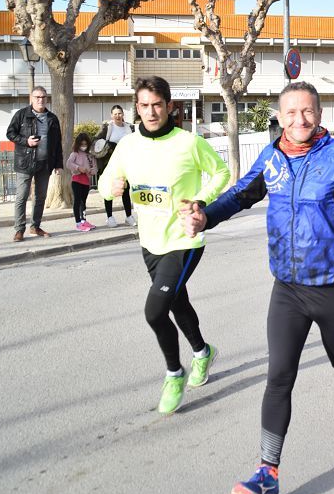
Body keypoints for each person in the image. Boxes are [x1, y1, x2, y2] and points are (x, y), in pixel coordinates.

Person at [181, 80, 334, 494]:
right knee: (279, 375)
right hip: (287, 288)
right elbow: (240, 195)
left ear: (320, 115)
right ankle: (268, 471)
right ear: (279, 116)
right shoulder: (272, 157)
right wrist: (206, 216)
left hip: (332, 284)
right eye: (291, 112)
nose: (300, 120)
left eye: (308, 112)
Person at [97, 76, 230, 416]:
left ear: (169, 106)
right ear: (137, 108)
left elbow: (221, 173)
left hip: (184, 239)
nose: (151, 111)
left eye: (157, 104)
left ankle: (174, 373)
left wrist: (200, 200)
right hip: (150, 241)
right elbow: (105, 181)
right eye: (144, 105)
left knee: (155, 310)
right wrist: (111, 187)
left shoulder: (188, 143)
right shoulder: (127, 145)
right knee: (176, 302)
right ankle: (203, 352)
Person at [6, 86, 63, 242]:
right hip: (24, 162)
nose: (41, 100)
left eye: (43, 97)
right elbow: (10, 133)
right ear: (31, 98)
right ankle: (19, 230)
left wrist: (58, 164)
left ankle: (35, 226)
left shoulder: (52, 118)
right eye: (37, 97)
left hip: (45, 164)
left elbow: (57, 143)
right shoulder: (21, 115)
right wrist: (26, 141)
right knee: (22, 196)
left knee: (40, 197)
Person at [94, 104, 136, 228]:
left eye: (120, 113)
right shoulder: (107, 128)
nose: (118, 116)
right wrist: (111, 146)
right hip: (109, 164)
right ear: (111, 115)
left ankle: (129, 216)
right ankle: (109, 217)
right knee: (109, 190)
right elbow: (97, 142)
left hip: (125, 164)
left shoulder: (130, 128)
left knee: (125, 191)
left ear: (123, 114)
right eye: (115, 114)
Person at [66, 132, 98, 231]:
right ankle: (78, 223)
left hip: (86, 181)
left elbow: (95, 168)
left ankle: (83, 220)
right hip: (76, 180)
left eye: (85, 144)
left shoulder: (90, 156)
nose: (83, 146)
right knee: (77, 201)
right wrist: (78, 168)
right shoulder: (74, 154)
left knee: (83, 202)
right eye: (82, 144)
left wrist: (91, 171)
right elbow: (69, 163)